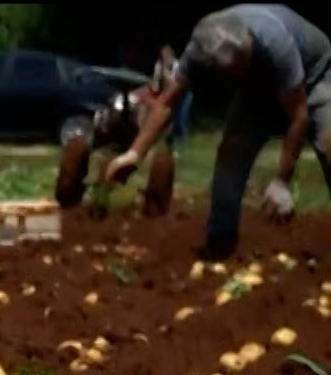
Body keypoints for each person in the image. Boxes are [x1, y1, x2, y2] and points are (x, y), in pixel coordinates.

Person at [105, 5, 331, 259]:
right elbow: (167, 103)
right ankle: (220, 241)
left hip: (316, 75)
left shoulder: (276, 43)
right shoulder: (198, 49)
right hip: (258, 89)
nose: (234, 76)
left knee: (329, 142)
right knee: (231, 152)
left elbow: (299, 115)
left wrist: (281, 182)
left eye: (240, 66)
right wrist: (134, 153)